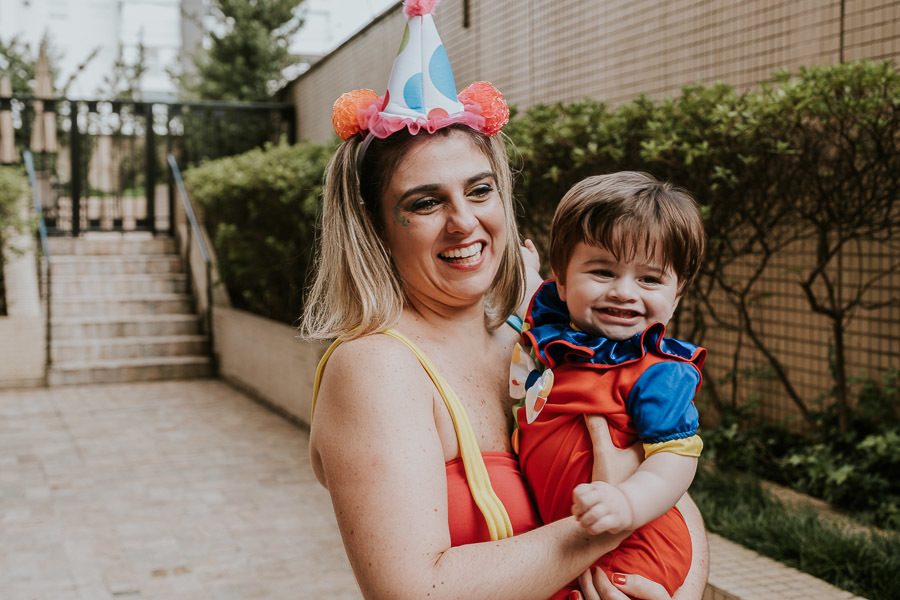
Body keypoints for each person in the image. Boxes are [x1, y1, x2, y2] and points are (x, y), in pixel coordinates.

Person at [302, 2, 709, 598]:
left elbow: (675, 491)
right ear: (376, 226)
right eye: (424, 202)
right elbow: (417, 591)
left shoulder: (540, 341)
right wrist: (600, 530)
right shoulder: (378, 368)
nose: (464, 222)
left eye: (479, 189)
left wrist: (673, 591)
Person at [510, 172, 707, 597]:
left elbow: (675, 458)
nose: (624, 292)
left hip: (636, 545)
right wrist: (526, 275)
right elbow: (536, 305)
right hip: (575, 541)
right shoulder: (562, 339)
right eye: (602, 271)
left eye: (650, 279)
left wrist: (630, 504)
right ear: (561, 280)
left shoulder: (657, 372)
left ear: (676, 296)